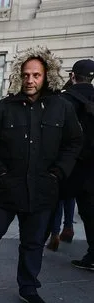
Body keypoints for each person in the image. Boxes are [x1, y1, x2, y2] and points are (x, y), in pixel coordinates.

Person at [0, 47, 83, 303]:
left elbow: (74, 142)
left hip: (42, 189)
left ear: (46, 75)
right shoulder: (3, 108)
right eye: (26, 74)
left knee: (33, 242)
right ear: (19, 76)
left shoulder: (62, 107)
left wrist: (59, 172)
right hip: (5, 188)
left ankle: (28, 287)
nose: (30, 80)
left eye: (36, 75)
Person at [55, 58, 94, 269]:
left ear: (72, 76)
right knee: (89, 212)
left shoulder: (65, 100)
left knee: (52, 203)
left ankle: (42, 240)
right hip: (91, 167)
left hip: (69, 164)